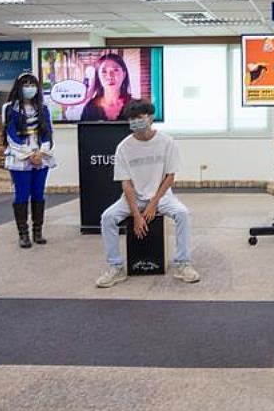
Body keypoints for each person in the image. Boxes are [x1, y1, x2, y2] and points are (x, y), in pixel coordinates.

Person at [95, 99, 200, 288]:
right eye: (132, 119)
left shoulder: (167, 142)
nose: (136, 122)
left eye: (140, 117)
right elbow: (126, 184)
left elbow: (169, 177)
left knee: (182, 214)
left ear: (150, 118)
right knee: (108, 217)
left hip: (162, 196)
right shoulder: (123, 148)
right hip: (133, 197)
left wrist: (153, 204)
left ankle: (182, 263)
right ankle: (115, 266)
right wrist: (136, 214)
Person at [2, 72, 56, 249]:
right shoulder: (9, 108)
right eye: (26, 84)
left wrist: (41, 153)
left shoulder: (44, 107)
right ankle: (23, 234)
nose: (29, 88)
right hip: (20, 157)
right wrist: (28, 154)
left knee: (39, 193)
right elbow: (10, 135)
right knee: (22, 194)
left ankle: (37, 231)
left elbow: (48, 132)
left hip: (41, 156)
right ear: (19, 87)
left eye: (32, 84)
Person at [81, 53, 133, 121]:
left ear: (124, 74)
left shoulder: (135, 107)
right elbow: (84, 131)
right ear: (98, 77)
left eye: (115, 70)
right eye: (104, 71)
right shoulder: (89, 108)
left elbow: (141, 130)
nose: (110, 76)